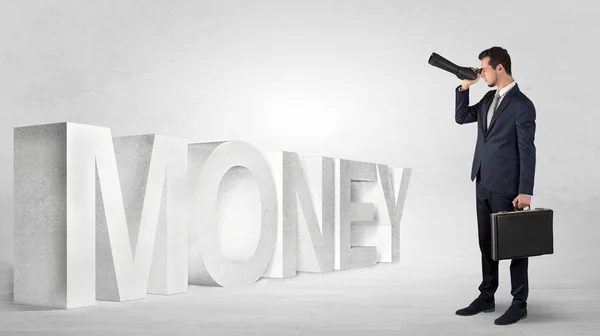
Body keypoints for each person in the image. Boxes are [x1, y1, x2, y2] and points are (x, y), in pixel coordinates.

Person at [453, 46, 536, 326]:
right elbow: (462, 117)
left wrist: (525, 190)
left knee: (514, 246)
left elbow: (527, 150)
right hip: (483, 181)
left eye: (484, 68)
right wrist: (465, 86)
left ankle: (519, 303)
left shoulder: (522, 105)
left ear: (500, 68)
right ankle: (487, 296)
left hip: (508, 187)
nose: (481, 73)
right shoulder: (488, 98)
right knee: (486, 243)